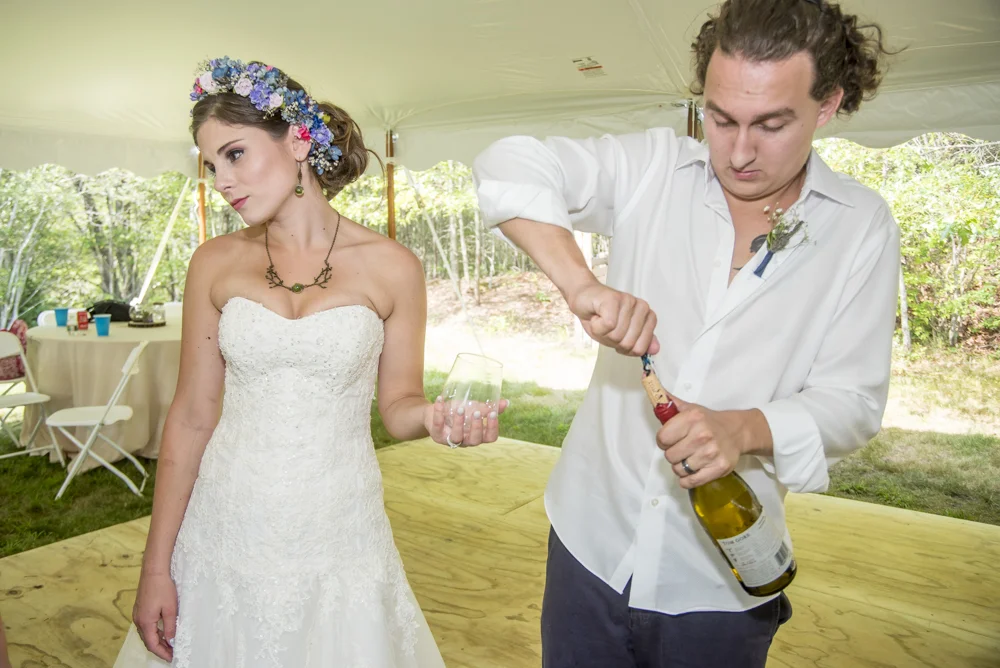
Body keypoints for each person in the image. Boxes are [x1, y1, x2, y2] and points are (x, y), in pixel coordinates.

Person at [472, 0, 899, 666]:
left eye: (772, 123)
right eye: (721, 118)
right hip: (591, 541)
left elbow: (853, 403)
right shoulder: (653, 169)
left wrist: (743, 428)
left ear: (827, 104)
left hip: (719, 583)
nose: (739, 150)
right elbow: (508, 164)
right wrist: (582, 284)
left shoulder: (860, 226)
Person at [114, 56, 505, 667]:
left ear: (297, 140)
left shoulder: (392, 266)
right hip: (226, 526)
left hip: (339, 529)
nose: (221, 180)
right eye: (211, 165)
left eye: (235, 154)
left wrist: (432, 418)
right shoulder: (213, 263)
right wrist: (156, 567)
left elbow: (398, 406)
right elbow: (191, 415)